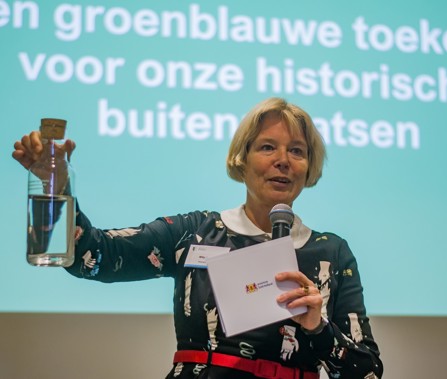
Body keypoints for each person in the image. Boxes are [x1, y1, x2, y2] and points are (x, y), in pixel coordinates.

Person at [13, 97, 383, 379]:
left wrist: (318, 327)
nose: (283, 160)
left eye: (297, 151)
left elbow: (367, 370)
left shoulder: (331, 252)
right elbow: (94, 257)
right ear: (242, 159)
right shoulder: (194, 232)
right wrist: (55, 188)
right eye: (267, 147)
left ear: (309, 168)